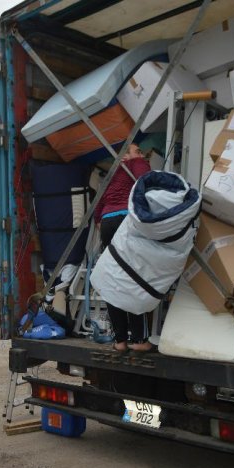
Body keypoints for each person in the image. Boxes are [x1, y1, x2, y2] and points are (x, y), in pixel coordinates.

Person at [93, 143, 152, 353]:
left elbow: (97, 209)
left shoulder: (111, 176)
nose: (141, 153)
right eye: (137, 150)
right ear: (125, 155)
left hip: (108, 223)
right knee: (135, 279)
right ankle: (138, 339)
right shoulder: (134, 164)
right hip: (125, 221)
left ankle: (119, 340)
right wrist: (139, 161)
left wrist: (103, 221)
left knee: (115, 281)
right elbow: (147, 181)